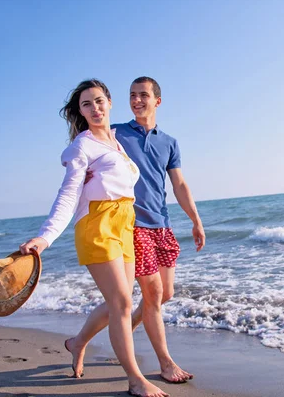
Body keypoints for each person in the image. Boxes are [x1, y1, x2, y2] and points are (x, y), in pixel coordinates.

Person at [19, 79, 168, 397]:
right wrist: (45, 237)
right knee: (123, 303)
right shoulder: (82, 146)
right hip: (97, 226)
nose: (95, 107)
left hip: (125, 224)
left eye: (99, 101)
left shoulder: (117, 142)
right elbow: (68, 194)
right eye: (87, 104)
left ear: (110, 103)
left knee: (119, 302)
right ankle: (135, 379)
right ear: (81, 111)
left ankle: (77, 343)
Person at [64, 76, 205, 384]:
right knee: (149, 295)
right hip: (130, 224)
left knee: (161, 294)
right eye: (132, 95)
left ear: (157, 100)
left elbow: (178, 184)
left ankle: (88, 338)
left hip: (161, 223)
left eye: (143, 95)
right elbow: (86, 152)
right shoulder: (115, 134)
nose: (137, 100)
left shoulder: (169, 142)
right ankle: (165, 363)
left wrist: (195, 219)